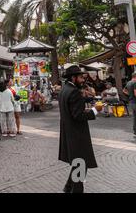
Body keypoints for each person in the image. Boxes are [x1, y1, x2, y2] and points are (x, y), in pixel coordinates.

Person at [58, 65, 103, 193]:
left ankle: (67, 188)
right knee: (81, 164)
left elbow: (72, 110)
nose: (83, 80)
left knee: (78, 162)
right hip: (77, 135)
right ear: (73, 77)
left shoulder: (64, 89)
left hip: (69, 133)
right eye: (81, 77)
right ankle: (76, 190)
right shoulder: (74, 92)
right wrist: (95, 110)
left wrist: (87, 107)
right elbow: (78, 116)